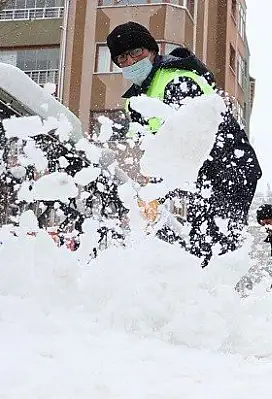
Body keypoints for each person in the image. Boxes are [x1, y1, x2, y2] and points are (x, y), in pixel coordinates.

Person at [106, 22, 262, 266]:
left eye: (136, 52)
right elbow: (152, 152)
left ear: (152, 51)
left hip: (228, 166)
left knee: (215, 246)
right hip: (203, 174)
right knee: (196, 245)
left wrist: (159, 190)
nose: (131, 61)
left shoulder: (178, 81)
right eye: (123, 57)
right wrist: (151, 192)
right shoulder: (139, 100)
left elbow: (191, 143)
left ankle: (217, 294)